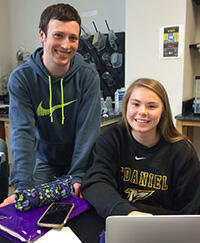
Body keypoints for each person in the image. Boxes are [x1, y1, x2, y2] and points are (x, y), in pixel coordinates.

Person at [1, 3, 101, 206]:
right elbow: (23, 135)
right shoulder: (22, 79)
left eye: (73, 38)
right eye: (58, 35)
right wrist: (22, 187)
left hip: (81, 162)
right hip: (45, 162)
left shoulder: (88, 76)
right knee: (25, 207)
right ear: (42, 35)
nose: (66, 45)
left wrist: (77, 176)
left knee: (82, 211)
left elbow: (87, 132)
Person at [81, 78, 200, 218]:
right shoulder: (111, 139)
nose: (142, 112)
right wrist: (129, 213)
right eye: (136, 104)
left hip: (163, 227)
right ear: (126, 106)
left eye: (151, 106)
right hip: (121, 218)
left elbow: (190, 210)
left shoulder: (182, 152)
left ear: (163, 111)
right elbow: (96, 182)